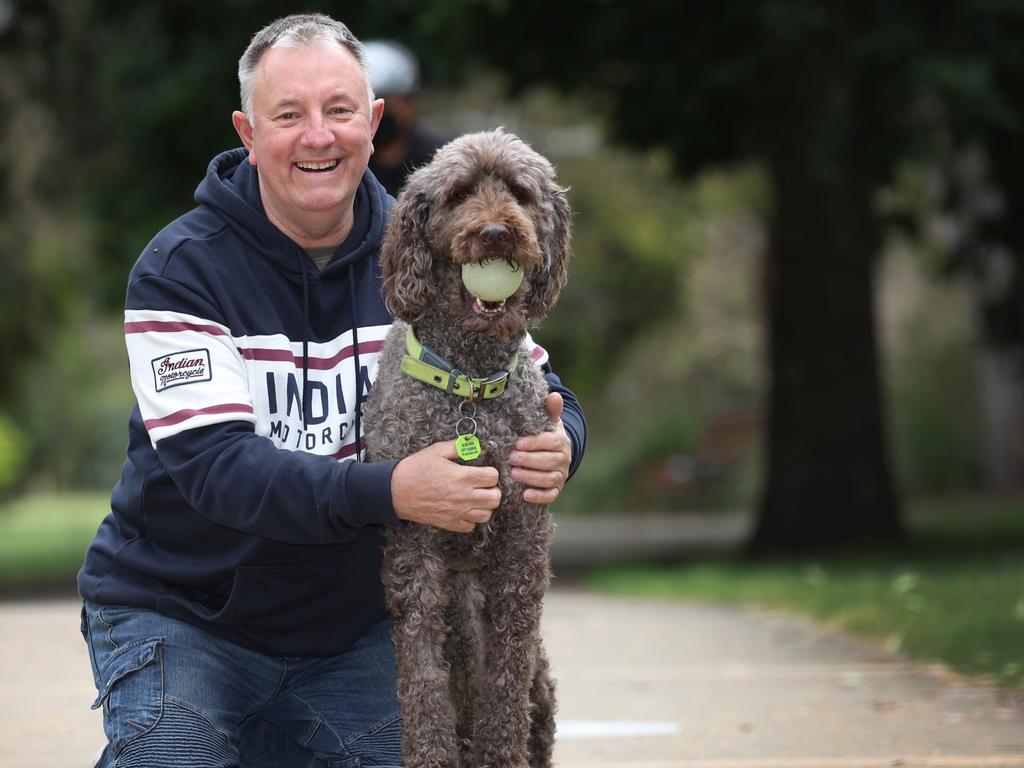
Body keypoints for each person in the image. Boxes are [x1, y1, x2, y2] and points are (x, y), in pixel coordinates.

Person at [77, 13, 586, 768]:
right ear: (248, 133)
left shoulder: (425, 242)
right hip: (185, 615)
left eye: (339, 111)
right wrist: (391, 491)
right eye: (289, 115)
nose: (318, 136)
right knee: (174, 756)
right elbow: (219, 469)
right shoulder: (180, 269)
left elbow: (528, 376)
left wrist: (564, 438)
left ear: (373, 123)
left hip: (351, 634)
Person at [364, 39, 449, 197]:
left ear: (408, 102)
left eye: (385, 103)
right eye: (367, 106)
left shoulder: (442, 159)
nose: (376, 115)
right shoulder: (351, 164)